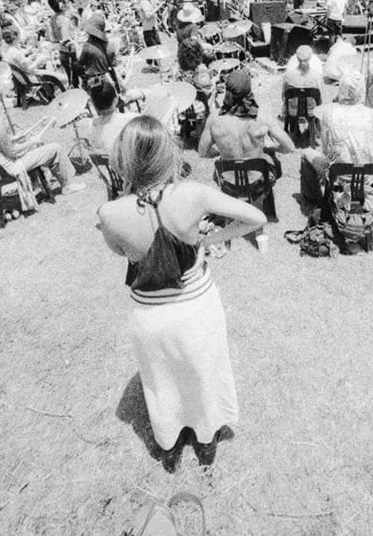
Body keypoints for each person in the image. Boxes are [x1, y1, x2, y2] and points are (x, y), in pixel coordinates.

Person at [97, 116, 265, 465]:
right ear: (166, 152)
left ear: (124, 159)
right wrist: (208, 239)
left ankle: (169, 445)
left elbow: (121, 253)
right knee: (205, 373)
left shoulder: (109, 212)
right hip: (196, 306)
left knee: (160, 381)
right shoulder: (193, 194)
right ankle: (206, 441)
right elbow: (255, 218)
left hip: (149, 315)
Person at [0, 76, 84, 205]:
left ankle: (37, 182)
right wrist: (32, 141)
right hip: (3, 169)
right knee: (55, 148)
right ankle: (67, 185)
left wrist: (15, 138)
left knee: (32, 145)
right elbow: (11, 152)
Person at [299, 70, 373, 202]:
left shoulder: (329, 114)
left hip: (339, 176)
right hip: (366, 175)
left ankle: (314, 198)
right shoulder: (372, 115)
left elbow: (327, 152)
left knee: (307, 154)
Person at [199, 69, 296, 183]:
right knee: (271, 156)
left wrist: (222, 151)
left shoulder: (214, 118)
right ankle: (267, 196)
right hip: (257, 180)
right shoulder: (262, 117)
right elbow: (290, 147)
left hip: (228, 182)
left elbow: (202, 152)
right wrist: (270, 147)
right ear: (249, 90)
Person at [86, 79, 138, 156]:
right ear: (115, 100)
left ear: (94, 106)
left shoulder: (91, 127)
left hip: (111, 163)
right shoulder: (132, 119)